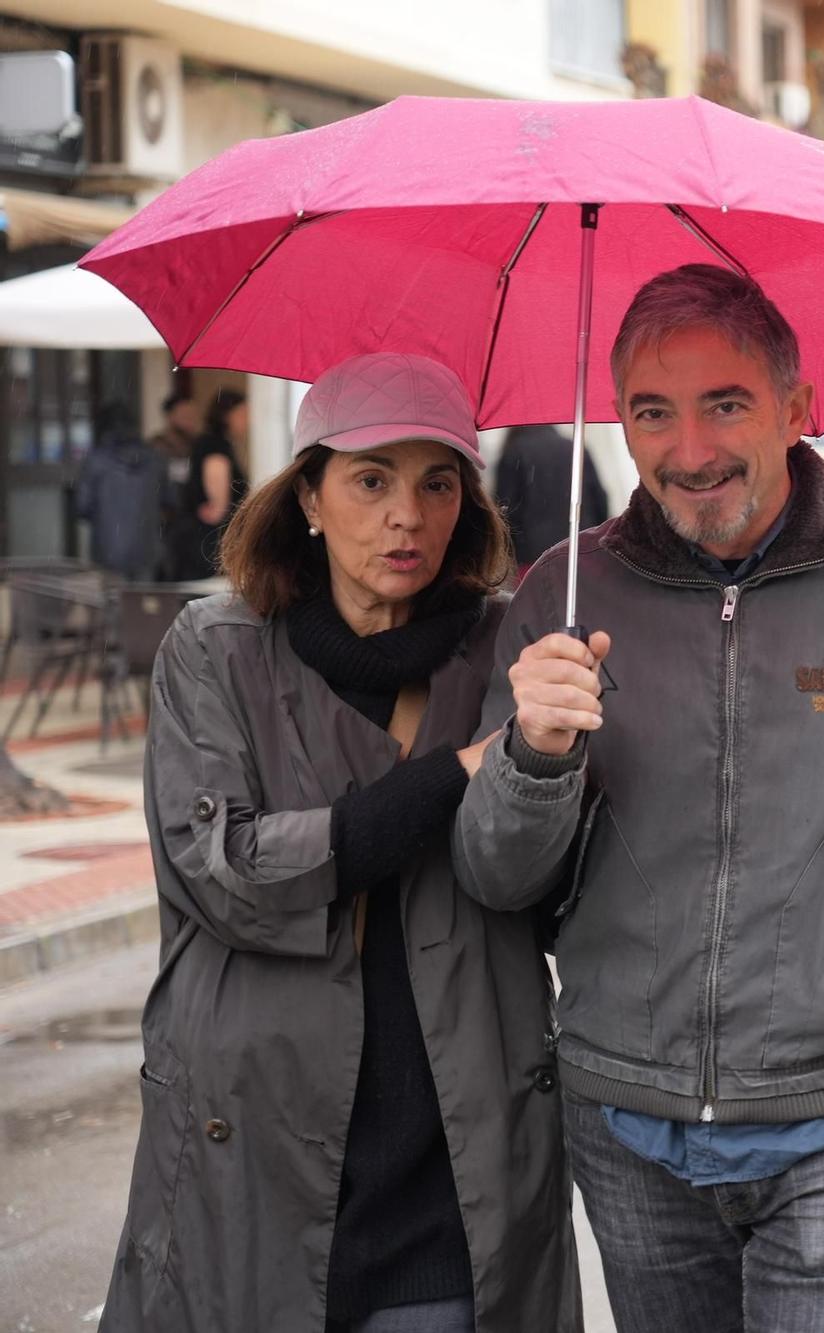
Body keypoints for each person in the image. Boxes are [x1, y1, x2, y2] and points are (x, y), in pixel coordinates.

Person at [450, 264, 824, 1332]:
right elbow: (497, 875)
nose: (688, 451)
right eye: (652, 411)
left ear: (796, 407)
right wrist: (533, 756)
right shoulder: (561, 594)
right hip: (628, 1117)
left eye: (724, 403)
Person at [101, 353, 580, 1332]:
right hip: (257, 1150)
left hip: (454, 1155)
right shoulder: (217, 648)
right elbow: (225, 871)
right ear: (309, 496)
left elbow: (537, 885)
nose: (406, 515)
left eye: (437, 482)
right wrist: (450, 773)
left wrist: (536, 757)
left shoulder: (511, 656)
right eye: (371, 480)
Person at [493, 423, 611, 575]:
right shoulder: (575, 448)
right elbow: (600, 500)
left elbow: (505, 511)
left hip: (534, 558)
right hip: (581, 549)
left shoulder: (514, 452)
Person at [76, 400, 168, 580]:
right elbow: (169, 501)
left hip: (108, 549)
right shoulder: (155, 458)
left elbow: (82, 506)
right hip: (147, 548)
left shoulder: (96, 460)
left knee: (112, 602)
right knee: (142, 603)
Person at [168, 388, 250, 580]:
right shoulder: (215, 446)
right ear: (227, 416)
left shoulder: (210, 443)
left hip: (204, 541)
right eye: (243, 414)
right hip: (208, 544)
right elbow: (216, 507)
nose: (247, 420)